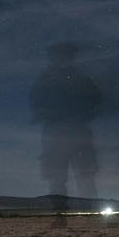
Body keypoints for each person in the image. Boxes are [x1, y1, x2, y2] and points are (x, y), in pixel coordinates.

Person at [29, 42, 102, 208]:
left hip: (75, 132)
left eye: (65, 55)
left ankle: (88, 210)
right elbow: (36, 104)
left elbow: (96, 99)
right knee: (57, 176)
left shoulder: (80, 79)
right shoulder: (46, 80)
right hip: (58, 133)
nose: (62, 59)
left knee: (83, 175)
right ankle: (60, 212)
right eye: (59, 55)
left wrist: (82, 113)